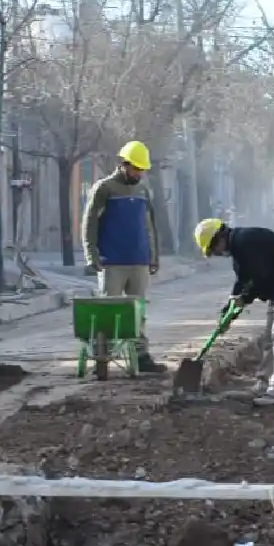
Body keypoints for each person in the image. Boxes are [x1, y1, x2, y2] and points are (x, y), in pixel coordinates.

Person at [194, 217, 274, 406]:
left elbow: (259, 277)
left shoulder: (246, 242)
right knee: (268, 339)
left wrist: (244, 299)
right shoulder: (238, 247)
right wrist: (229, 311)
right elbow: (242, 281)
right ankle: (264, 385)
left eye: (213, 250)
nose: (216, 254)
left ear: (219, 239)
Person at [81, 140, 166, 374]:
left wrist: (153, 255)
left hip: (138, 260)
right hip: (112, 261)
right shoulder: (104, 188)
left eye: (142, 169)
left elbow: (149, 226)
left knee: (138, 311)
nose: (139, 173)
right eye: (136, 168)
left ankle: (141, 356)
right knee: (109, 310)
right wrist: (92, 254)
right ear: (124, 165)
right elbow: (89, 223)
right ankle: (103, 356)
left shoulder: (142, 191)